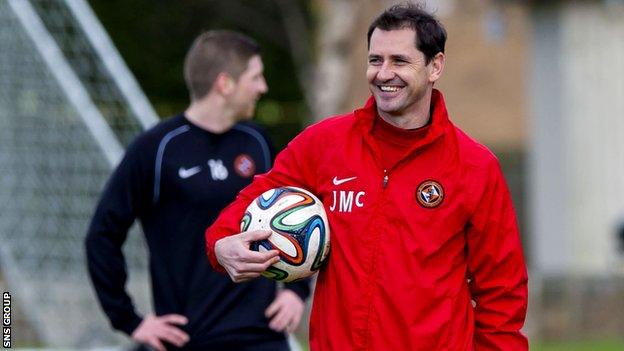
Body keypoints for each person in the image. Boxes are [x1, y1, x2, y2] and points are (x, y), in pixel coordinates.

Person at [206, 4, 528, 351]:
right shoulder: (324, 144)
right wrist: (221, 244)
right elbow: (252, 199)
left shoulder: (475, 167)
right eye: (375, 60)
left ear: (435, 66)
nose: (383, 73)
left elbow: (502, 293)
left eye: (399, 61)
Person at [85, 30, 309, 351]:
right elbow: (102, 236)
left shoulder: (257, 141)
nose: (263, 87)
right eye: (255, 77)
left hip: (263, 337)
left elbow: (294, 217)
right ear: (225, 84)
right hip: (190, 340)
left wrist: (295, 291)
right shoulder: (157, 148)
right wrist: (129, 320)